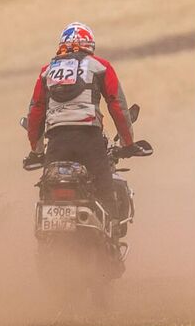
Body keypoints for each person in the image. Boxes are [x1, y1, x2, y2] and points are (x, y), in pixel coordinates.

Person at [23, 23, 137, 230]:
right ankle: (109, 245)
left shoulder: (46, 72)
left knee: (48, 191)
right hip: (89, 140)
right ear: (89, 45)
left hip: (56, 142)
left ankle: (45, 245)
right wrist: (128, 142)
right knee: (105, 190)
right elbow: (117, 106)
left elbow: (35, 113)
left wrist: (36, 150)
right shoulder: (99, 66)